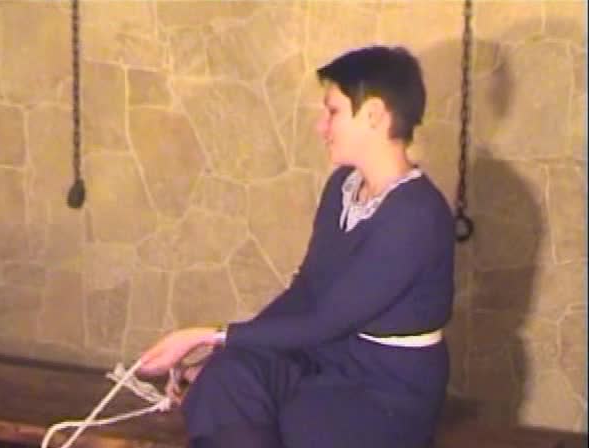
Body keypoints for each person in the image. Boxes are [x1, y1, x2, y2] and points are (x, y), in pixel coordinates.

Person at [138, 44, 455, 448]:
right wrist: (223, 351)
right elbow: (306, 290)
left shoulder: (416, 215)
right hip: (330, 355)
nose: (322, 126)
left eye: (333, 111)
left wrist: (207, 336)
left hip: (386, 388)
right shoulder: (342, 186)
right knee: (225, 377)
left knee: (278, 420)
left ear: (374, 115)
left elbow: (325, 321)